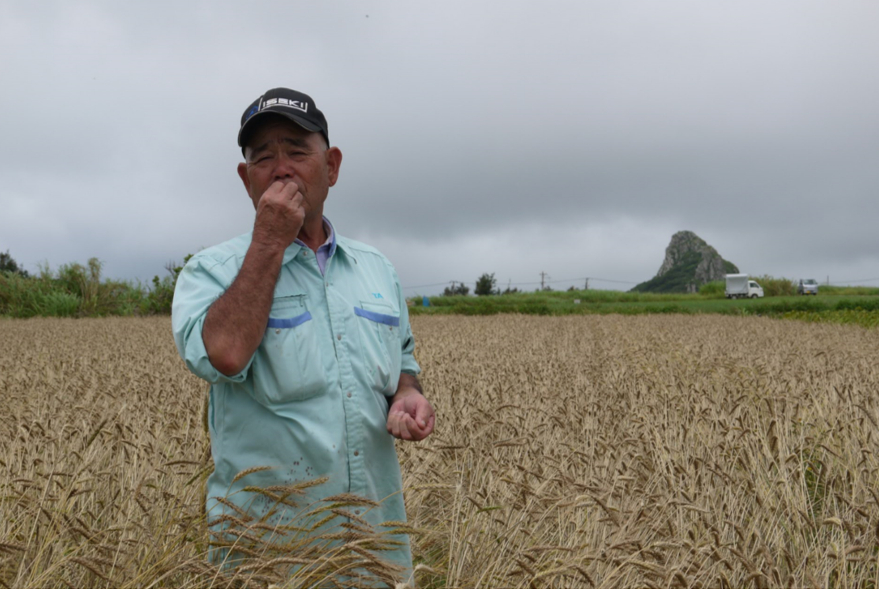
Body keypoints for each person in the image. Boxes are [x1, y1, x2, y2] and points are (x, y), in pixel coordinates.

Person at [171, 87, 435, 579]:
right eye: (263, 157)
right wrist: (269, 240)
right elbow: (224, 354)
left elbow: (404, 367)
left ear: (331, 167)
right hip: (268, 559)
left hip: (376, 550)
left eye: (296, 151)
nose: (281, 167)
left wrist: (407, 397)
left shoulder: (377, 270)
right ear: (245, 178)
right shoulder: (211, 271)